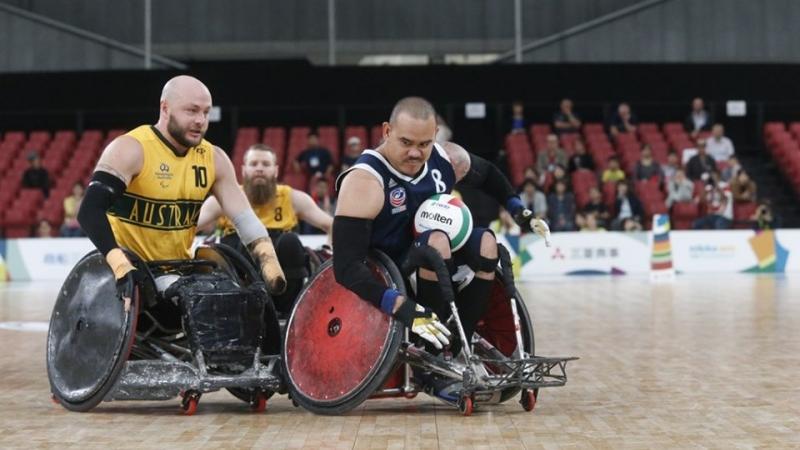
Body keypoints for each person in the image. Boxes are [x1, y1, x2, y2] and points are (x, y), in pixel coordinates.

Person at [333, 97, 547, 401]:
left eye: (424, 144)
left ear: (436, 136)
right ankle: (431, 358)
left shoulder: (446, 158)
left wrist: (519, 211)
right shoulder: (365, 180)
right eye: (406, 142)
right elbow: (345, 268)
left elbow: (488, 176)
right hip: (393, 266)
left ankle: (460, 343)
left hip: (440, 250)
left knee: (488, 243)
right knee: (436, 243)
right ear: (386, 131)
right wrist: (400, 306)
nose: (415, 153)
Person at [77, 75, 286, 313]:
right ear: (165, 108)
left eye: (206, 112)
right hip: (135, 273)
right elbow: (89, 211)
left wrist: (268, 259)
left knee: (248, 299)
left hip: (181, 271)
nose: (200, 121)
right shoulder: (131, 148)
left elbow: (244, 219)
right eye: (192, 111)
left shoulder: (214, 158)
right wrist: (120, 265)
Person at [197, 143, 333, 313]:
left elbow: (332, 226)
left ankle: (287, 309)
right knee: (242, 244)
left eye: (265, 164)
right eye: (254, 164)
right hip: (240, 268)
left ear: (276, 170)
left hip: (283, 270)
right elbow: (189, 227)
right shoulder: (224, 198)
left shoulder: (293, 198)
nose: (259, 169)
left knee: (290, 241)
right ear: (244, 170)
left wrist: (327, 250)